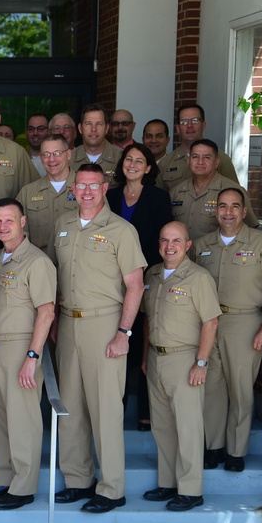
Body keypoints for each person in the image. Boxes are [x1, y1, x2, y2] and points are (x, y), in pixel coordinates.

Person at [53, 164, 146, 514]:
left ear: (105, 188)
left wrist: (124, 333)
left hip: (104, 324)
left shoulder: (121, 230)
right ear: (72, 188)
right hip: (67, 324)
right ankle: (78, 480)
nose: (87, 192)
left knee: (105, 410)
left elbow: (135, 285)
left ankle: (111, 488)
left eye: (94, 186)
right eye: (81, 186)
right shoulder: (62, 225)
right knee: (70, 408)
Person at [191, 187, 262, 472]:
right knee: (211, 388)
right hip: (210, 323)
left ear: (244, 211)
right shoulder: (202, 245)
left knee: (240, 390)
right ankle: (213, 448)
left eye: (234, 206)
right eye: (222, 206)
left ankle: (236, 452)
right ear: (215, 210)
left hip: (245, 322)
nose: (228, 212)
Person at [0, 198, 56, 510]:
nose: (3, 226)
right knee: (0, 417)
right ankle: (3, 478)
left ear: (23, 222)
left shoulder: (36, 261)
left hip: (22, 347)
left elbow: (46, 312)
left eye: (10, 220)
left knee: (23, 419)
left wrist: (32, 357)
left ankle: (23, 487)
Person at [142, 221, 220, 511]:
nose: (169, 246)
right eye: (164, 240)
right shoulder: (153, 275)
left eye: (176, 241)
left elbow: (210, 322)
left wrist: (201, 362)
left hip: (185, 359)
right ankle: (168, 483)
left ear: (188, 245)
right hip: (156, 357)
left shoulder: (198, 278)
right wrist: (143, 359)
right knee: (162, 426)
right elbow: (148, 319)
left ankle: (190, 490)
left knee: (187, 426)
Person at [108, 143, 173, 431]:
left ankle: (145, 414)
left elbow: (162, 242)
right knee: (116, 343)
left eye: (139, 161)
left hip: (146, 278)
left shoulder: (159, 198)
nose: (132, 164)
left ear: (148, 167)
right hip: (111, 281)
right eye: (128, 159)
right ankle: (115, 410)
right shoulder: (109, 196)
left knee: (144, 345)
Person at [168, 138, 258, 240]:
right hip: (181, 254)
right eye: (195, 157)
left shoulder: (233, 192)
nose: (200, 162)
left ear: (216, 162)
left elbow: (252, 228)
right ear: (188, 161)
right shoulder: (176, 192)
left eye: (206, 157)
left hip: (218, 254)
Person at [15, 134, 78, 263]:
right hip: (39, 266)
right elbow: (19, 237)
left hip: (76, 266)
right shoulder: (27, 193)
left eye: (57, 153)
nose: (51, 159)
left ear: (69, 154)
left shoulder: (87, 189)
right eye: (46, 154)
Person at [158, 103, 239, 191]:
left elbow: (236, 194)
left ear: (203, 125)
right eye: (184, 122)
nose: (189, 126)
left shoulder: (221, 159)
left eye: (195, 121)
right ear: (178, 128)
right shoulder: (165, 163)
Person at [70, 104, 119, 178]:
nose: (93, 129)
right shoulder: (68, 160)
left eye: (99, 124)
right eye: (88, 124)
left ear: (107, 128)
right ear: (80, 128)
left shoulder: (121, 158)